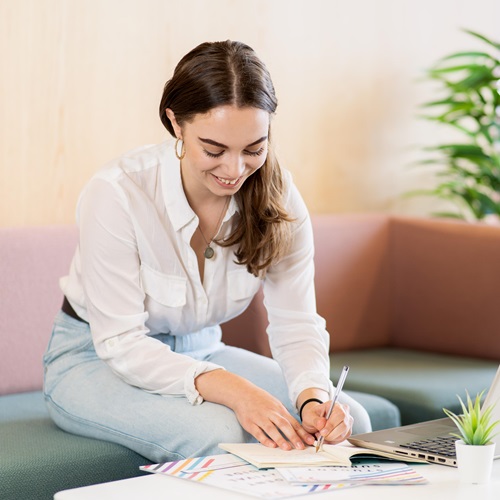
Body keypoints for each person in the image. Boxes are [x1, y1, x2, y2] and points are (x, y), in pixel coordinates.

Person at [43, 40, 371, 463]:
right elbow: (122, 343)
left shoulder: (279, 198)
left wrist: (312, 397)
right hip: (93, 359)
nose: (234, 170)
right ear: (175, 124)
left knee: (354, 422)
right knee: (222, 434)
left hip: (201, 349)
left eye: (254, 148)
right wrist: (236, 391)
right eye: (214, 150)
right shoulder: (118, 192)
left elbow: (296, 322)